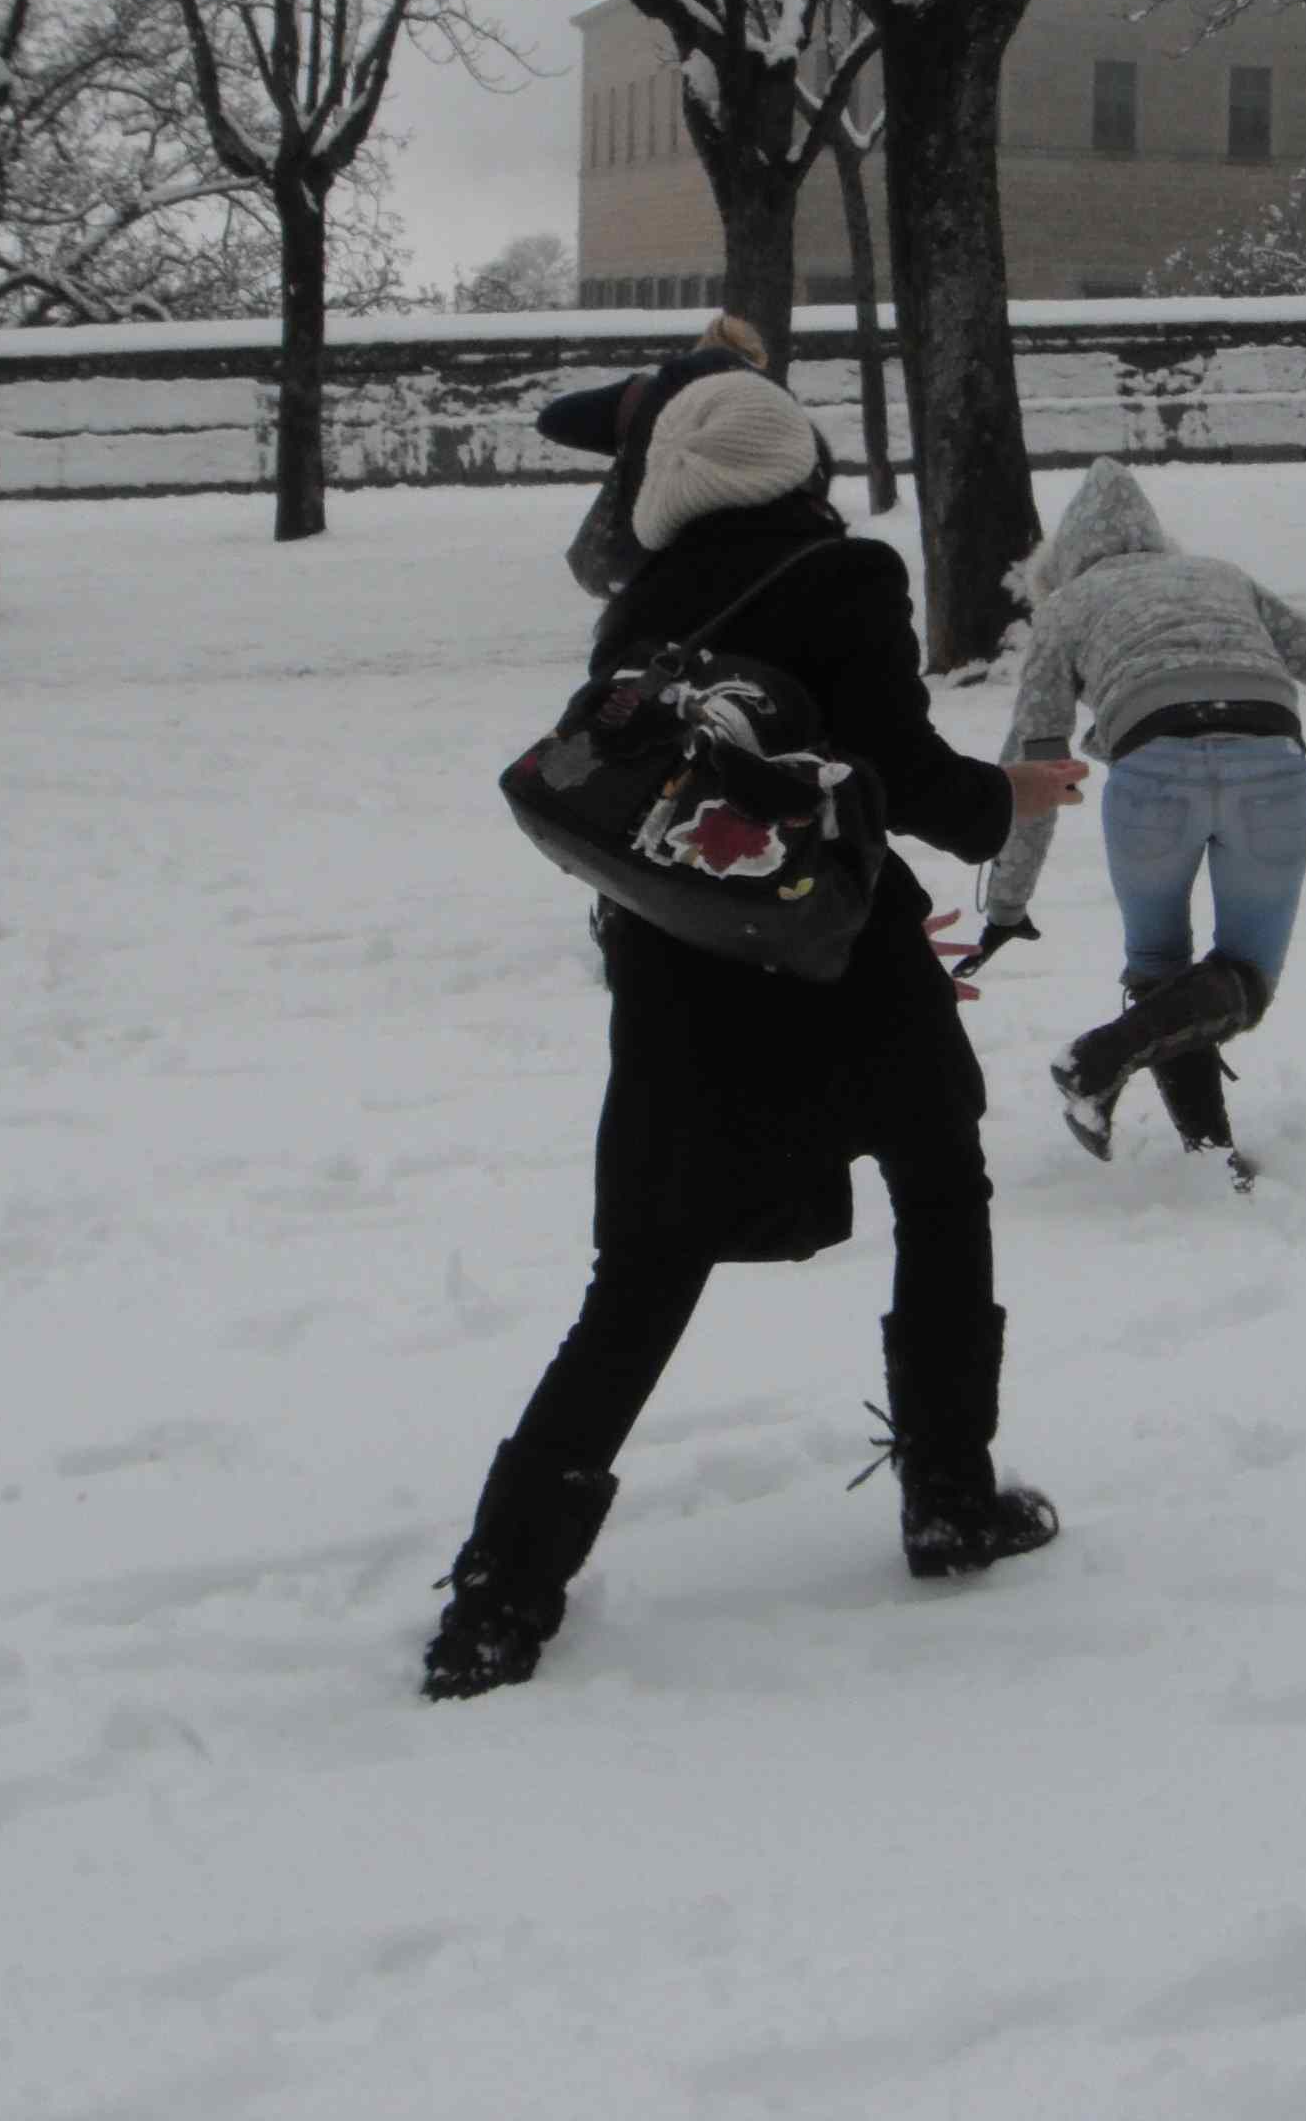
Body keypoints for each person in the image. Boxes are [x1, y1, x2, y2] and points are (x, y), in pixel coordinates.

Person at [424, 371, 1089, 1700]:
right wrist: (1005, 798)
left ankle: (500, 1598)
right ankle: (951, 1495)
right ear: (801, 469)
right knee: (942, 1193)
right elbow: (891, 764)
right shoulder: (847, 572)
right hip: (843, 959)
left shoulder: (643, 602)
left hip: (683, 975)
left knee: (644, 1274)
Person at [957, 459, 1306, 1185]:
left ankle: (1133, 1090)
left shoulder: (1063, 607)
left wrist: (1006, 904)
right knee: (1242, 980)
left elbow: (1036, 769)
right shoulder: (1222, 578)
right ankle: (1196, 1145)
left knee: (1160, 970)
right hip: (1268, 766)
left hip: (1152, 778)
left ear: (1058, 563)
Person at [539, 312, 773, 602]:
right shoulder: (774, 415)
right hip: (745, 574)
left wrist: (634, 436)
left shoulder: (647, 397)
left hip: (647, 568)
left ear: (698, 349)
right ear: (756, 361)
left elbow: (554, 419)